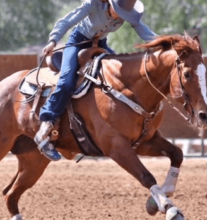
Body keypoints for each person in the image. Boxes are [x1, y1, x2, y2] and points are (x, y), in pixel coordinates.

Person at [35, 0, 158, 161]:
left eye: (125, 14)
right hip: (78, 43)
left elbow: (143, 30)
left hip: (100, 44)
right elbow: (67, 21)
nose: (121, 17)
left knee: (120, 77)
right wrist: (53, 40)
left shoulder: (126, 14)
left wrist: (166, 43)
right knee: (66, 82)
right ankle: (46, 123)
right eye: (120, 12)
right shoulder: (92, 4)